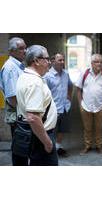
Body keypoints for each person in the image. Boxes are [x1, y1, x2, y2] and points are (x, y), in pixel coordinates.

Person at [16, 45, 58, 166]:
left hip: (36, 134)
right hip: (40, 136)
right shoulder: (34, 82)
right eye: (46, 58)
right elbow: (33, 117)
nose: (49, 62)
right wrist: (47, 143)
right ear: (36, 61)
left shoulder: (25, 76)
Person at [75, 54, 102, 154]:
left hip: (100, 106)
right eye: (96, 61)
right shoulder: (84, 73)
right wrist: (80, 104)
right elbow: (78, 89)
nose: (99, 64)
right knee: (87, 128)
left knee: (99, 128)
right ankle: (87, 146)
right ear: (91, 63)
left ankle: (99, 146)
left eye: (101, 62)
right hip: (86, 106)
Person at [0, 37, 27, 165]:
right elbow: (12, 98)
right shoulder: (11, 68)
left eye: (25, 47)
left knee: (22, 150)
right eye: (21, 48)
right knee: (19, 152)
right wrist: (26, 114)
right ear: (12, 51)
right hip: (18, 116)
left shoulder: (19, 66)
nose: (25, 51)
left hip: (21, 114)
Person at [44, 53, 73, 157]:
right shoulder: (47, 76)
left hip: (64, 107)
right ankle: (50, 149)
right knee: (51, 130)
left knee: (62, 129)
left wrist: (69, 98)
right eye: (60, 60)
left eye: (63, 60)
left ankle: (58, 146)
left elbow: (70, 86)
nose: (62, 62)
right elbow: (44, 92)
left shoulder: (66, 74)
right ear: (53, 61)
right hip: (53, 108)